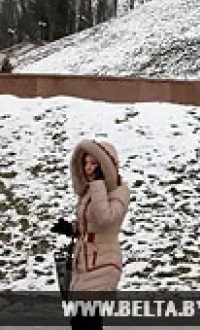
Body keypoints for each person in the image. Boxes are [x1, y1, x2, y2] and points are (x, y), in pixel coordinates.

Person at [51, 139, 130, 330]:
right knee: (81, 321)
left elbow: (106, 219)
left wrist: (98, 184)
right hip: (83, 262)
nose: (88, 168)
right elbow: (90, 226)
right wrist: (71, 228)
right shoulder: (89, 193)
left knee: (86, 321)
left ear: (106, 165)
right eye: (85, 163)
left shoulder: (120, 192)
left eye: (94, 163)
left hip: (104, 262)